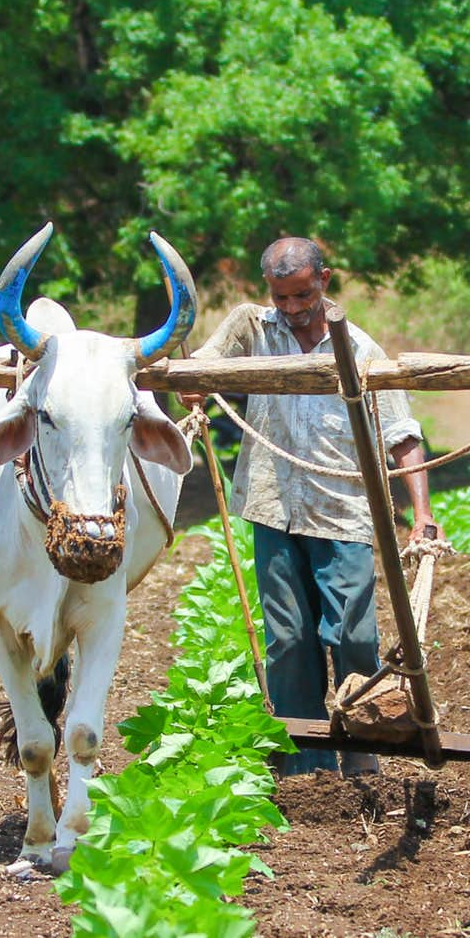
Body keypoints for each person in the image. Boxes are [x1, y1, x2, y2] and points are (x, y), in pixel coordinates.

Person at [180, 237, 443, 777]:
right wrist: (193, 386)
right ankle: (306, 770)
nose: (293, 309)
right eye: (282, 299)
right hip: (272, 508)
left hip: (343, 511)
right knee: (289, 641)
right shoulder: (251, 328)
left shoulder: (362, 352)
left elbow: (402, 436)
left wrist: (421, 514)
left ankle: (363, 756)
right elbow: (201, 368)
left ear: (324, 280)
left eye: (302, 296)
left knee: (353, 636)